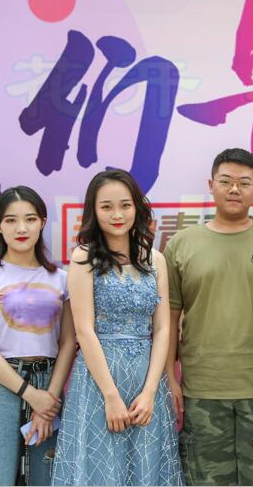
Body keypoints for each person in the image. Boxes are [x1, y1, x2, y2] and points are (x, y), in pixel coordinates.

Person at [164, 148, 253, 486]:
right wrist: (170, 378)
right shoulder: (181, 244)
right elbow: (168, 319)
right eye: (226, 181)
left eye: (244, 183)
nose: (234, 189)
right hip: (202, 389)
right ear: (211, 185)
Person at [53, 169, 183, 486]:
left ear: (137, 207)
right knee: (101, 469)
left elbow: (162, 329)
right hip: (99, 380)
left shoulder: (155, 260)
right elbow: (84, 331)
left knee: (146, 468)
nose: (117, 214)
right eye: (106, 207)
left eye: (125, 205)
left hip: (146, 377)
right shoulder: (83, 258)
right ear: (93, 211)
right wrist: (110, 396)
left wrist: (150, 392)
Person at [0, 186, 76, 486]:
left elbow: (68, 343)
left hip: (48, 384)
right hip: (2, 384)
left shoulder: (62, 279)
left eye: (30, 219)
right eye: (11, 220)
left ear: (42, 222)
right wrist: (30, 394)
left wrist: (48, 399)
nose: (21, 228)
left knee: (45, 477)